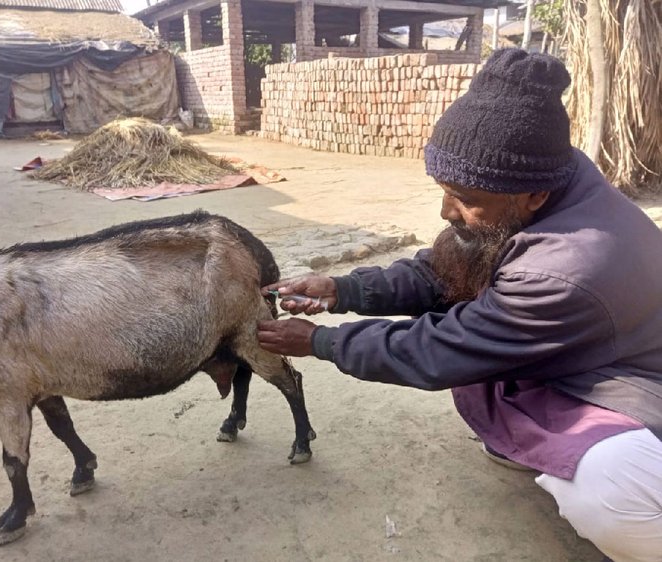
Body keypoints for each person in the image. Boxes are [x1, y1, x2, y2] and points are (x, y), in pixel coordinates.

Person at [256, 48, 662, 562]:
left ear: (533, 197)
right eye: (442, 189)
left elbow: (439, 350)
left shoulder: (567, 266)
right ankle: (535, 438)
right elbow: (444, 268)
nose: (446, 210)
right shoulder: (539, 178)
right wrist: (343, 290)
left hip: (636, 382)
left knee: (611, 490)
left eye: (462, 195)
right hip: (576, 352)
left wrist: (321, 342)